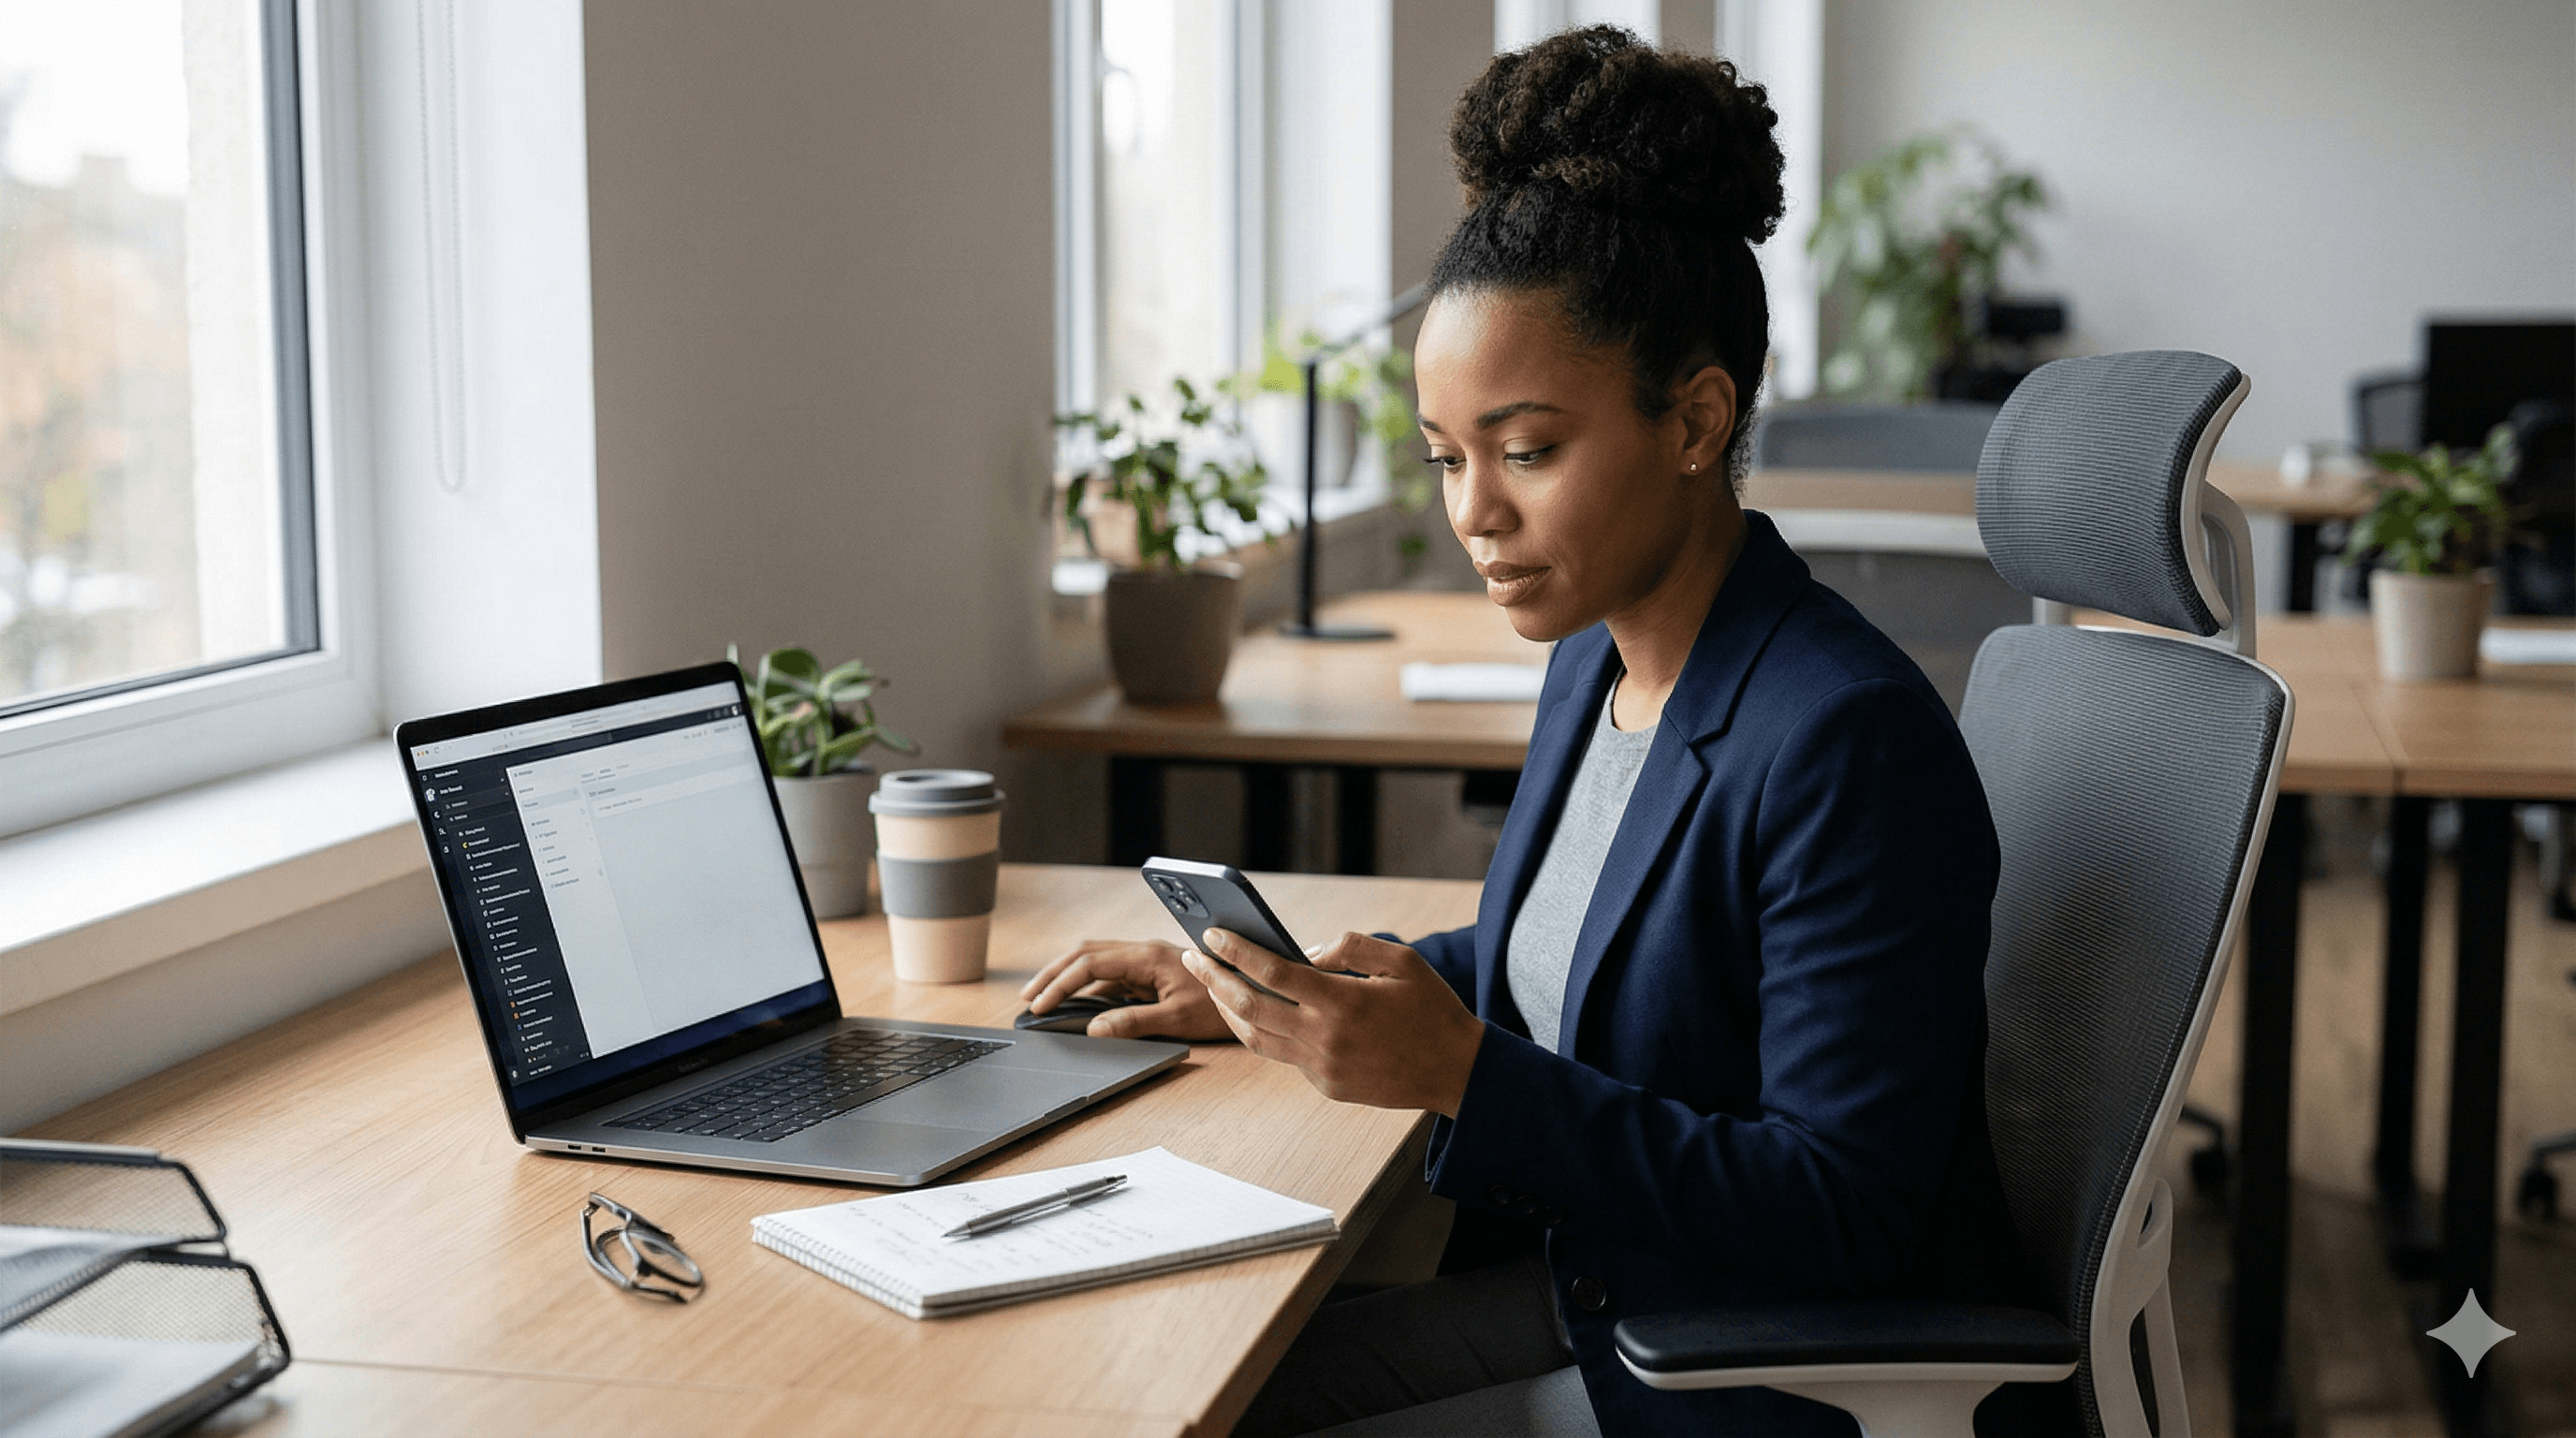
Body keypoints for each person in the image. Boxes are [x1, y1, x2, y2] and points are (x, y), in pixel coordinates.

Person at [1022, 25, 2055, 1437]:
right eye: (1447, 458)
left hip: (1745, 1361)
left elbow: (1844, 1210)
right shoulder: (1599, 656)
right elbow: (1580, 955)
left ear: (1696, 419)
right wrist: (1289, 990)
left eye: (1525, 451)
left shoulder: (1843, 739)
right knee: (1175, 1389)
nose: (1472, 516)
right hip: (1613, 1285)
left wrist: (1459, 1075)